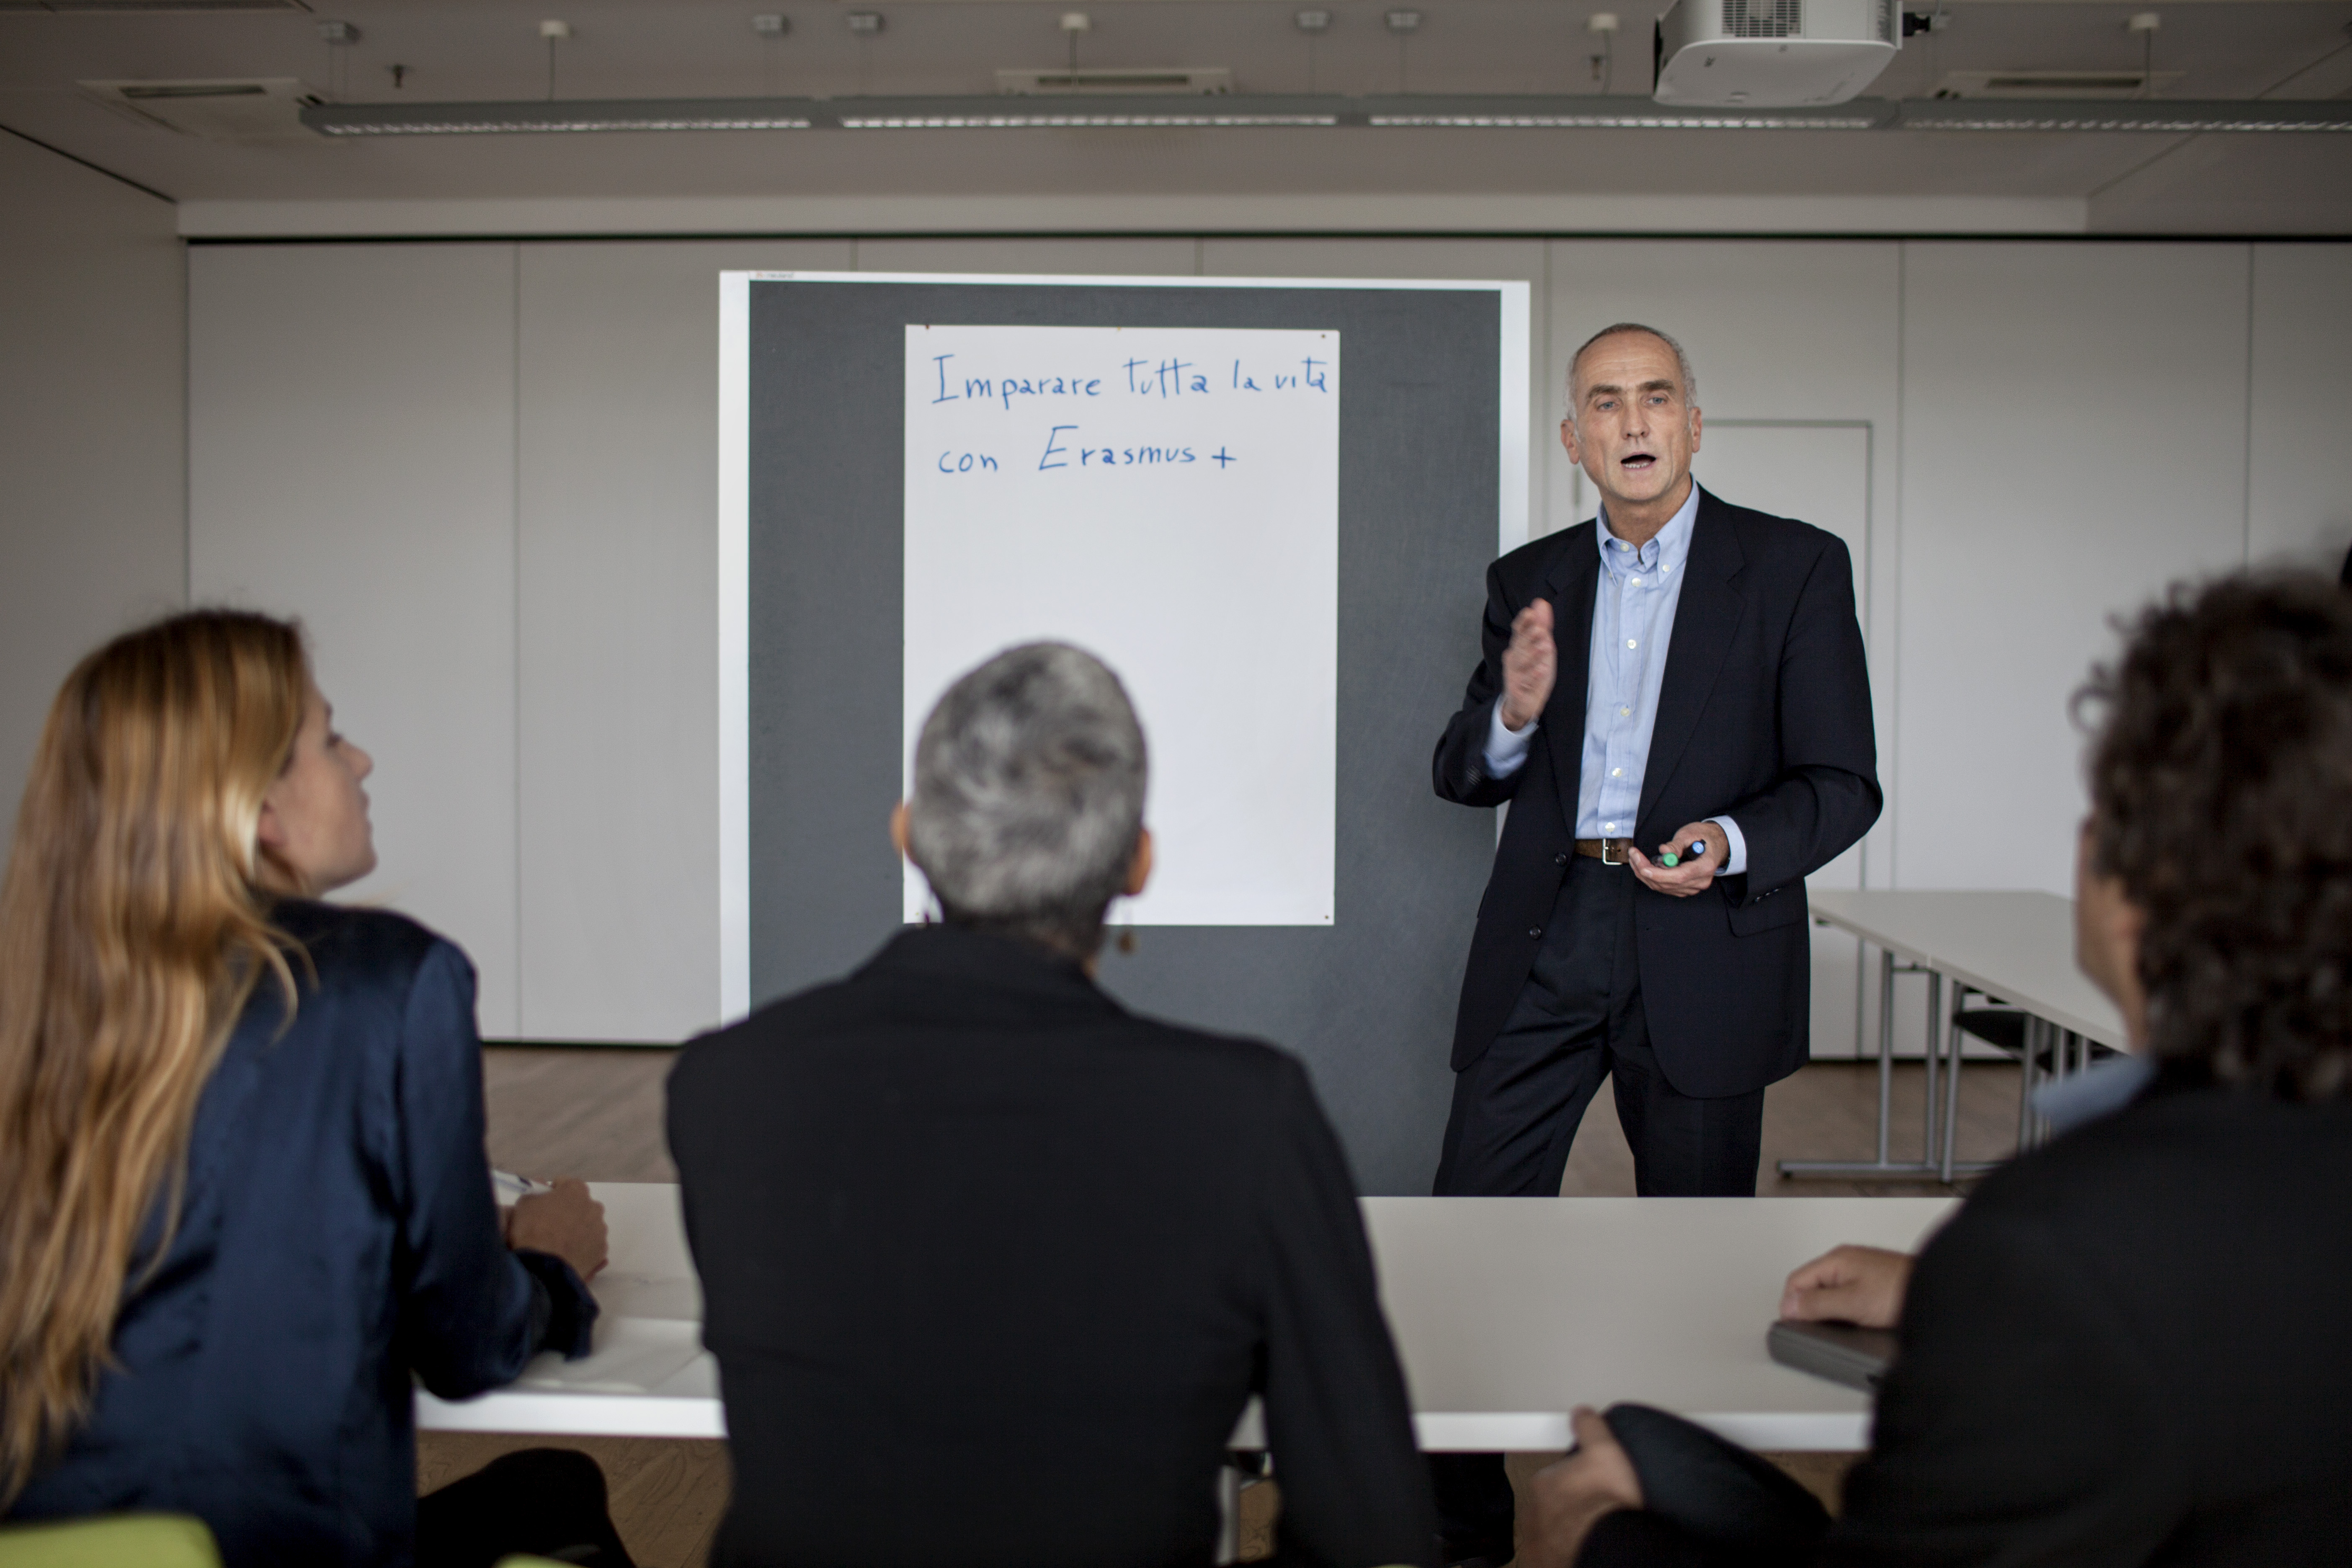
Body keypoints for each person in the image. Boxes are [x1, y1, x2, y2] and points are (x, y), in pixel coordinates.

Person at [1524, 573, 2352, 1567]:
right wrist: (1954, 1298)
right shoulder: (2117, 1248)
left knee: (1621, 1465)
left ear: (2125, 878)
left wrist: (1600, 1539)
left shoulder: (2053, 1249)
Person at [668, 641, 1434, 1568]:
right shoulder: (1244, 1117)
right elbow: (1371, 1522)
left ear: (907, 834)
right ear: (1138, 865)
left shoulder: (726, 1083)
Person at [0, 611, 629, 1568]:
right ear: (254, 805)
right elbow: (469, 1350)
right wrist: (550, 1265)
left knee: (549, 1489)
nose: (362, 760)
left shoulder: (34, 1003)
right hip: (281, 1544)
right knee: (557, 1500)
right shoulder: (388, 980)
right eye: (330, 740)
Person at [1425, 324, 1880, 1562]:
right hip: (1548, 931)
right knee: (1468, 1235)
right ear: (1573, 439)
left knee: (1694, 1261)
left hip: (1704, 935)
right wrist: (1513, 718)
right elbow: (1463, 772)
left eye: (1657, 399)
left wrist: (1730, 840)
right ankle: (1465, 1528)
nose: (1633, 423)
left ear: (1692, 424)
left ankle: (1680, 1529)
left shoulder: (1792, 568)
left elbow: (1844, 784)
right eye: (1606, 405)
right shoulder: (1527, 577)